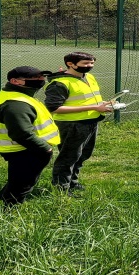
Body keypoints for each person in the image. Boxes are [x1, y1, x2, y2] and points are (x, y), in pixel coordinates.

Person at [45, 51, 123, 193]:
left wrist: (104, 104)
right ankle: (61, 188)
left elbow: (89, 98)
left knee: (83, 155)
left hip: (91, 122)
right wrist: (95, 107)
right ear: (70, 64)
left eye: (92, 63)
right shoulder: (59, 83)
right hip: (72, 124)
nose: (90, 66)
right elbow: (54, 108)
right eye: (86, 63)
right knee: (68, 157)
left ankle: (72, 183)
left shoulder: (89, 77)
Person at [0, 66, 60, 206]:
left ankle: (5, 199)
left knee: (18, 180)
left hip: (24, 149)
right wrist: (45, 148)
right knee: (22, 184)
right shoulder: (16, 104)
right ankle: (10, 211)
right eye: (35, 78)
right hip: (26, 150)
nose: (41, 80)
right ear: (15, 81)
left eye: (42, 76)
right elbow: (21, 133)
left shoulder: (16, 95)